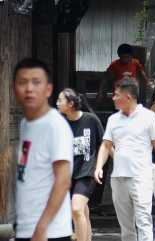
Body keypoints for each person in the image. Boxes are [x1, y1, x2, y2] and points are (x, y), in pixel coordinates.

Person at [93, 79, 155, 241]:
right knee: (126, 227)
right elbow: (106, 146)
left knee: (143, 222)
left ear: (128, 97)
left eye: (116, 95)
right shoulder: (113, 119)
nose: (113, 98)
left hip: (141, 177)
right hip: (118, 177)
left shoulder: (149, 117)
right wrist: (99, 167)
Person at [13, 58, 73, 241]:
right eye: (22, 82)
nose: (29, 88)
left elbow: (63, 180)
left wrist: (42, 227)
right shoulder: (26, 124)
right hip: (27, 228)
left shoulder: (55, 125)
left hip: (49, 232)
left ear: (48, 89)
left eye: (36, 82)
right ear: (14, 88)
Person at [56, 88, 104, 241]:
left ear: (70, 103)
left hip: (87, 172)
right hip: (68, 174)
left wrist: (103, 166)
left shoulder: (90, 119)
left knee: (76, 209)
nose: (57, 103)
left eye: (60, 100)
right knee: (82, 211)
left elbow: (105, 144)